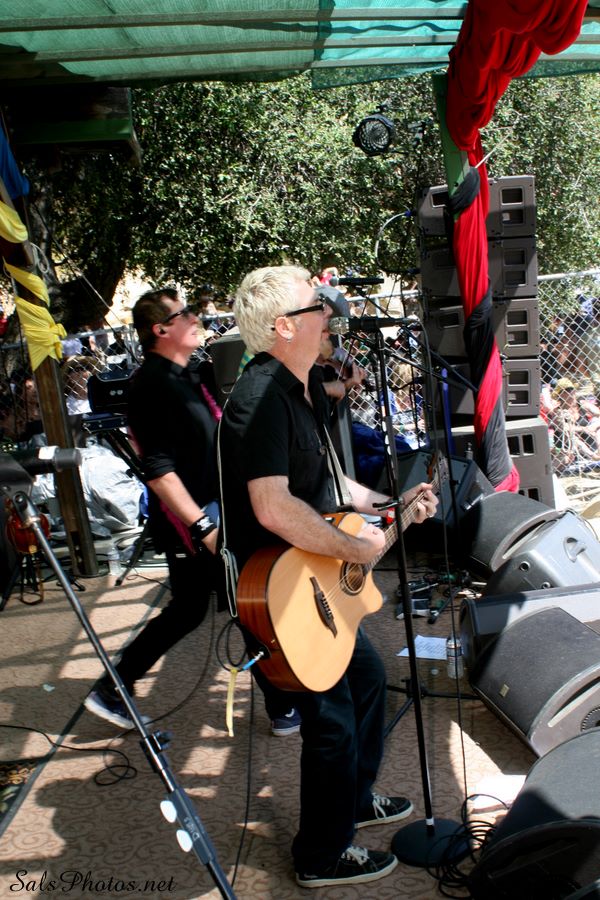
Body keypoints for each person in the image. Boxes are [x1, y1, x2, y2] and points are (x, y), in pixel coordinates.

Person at [218, 265, 438, 888]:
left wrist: (389, 504)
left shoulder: (304, 386)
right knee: (332, 721)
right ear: (283, 326)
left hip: (309, 573)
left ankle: (353, 801)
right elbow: (272, 507)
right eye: (315, 306)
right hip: (277, 591)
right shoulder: (259, 399)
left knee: (366, 682)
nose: (328, 312)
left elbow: (330, 483)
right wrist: (354, 547)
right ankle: (320, 856)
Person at [84, 286, 224, 730]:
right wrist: (202, 525)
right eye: (185, 314)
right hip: (190, 521)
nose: (196, 318)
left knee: (203, 606)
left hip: (212, 510)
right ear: (161, 330)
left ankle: (112, 687)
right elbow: (159, 469)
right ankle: (112, 687)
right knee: (201, 606)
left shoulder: (189, 374)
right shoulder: (151, 385)